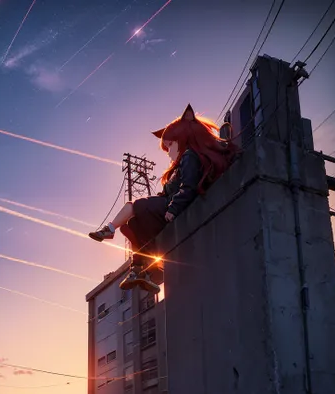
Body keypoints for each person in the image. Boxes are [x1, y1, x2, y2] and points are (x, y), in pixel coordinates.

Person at [89, 104, 238, 294]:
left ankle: (109, 230)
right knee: (133, 224)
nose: (168, 151)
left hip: (170, 207)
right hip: (165, 205)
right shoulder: (178, 165)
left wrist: (174, 208)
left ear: (183, 139)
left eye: (170, 145)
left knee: (134, 205)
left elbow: (189, 186)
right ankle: (140, 270)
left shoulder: (190, 157)